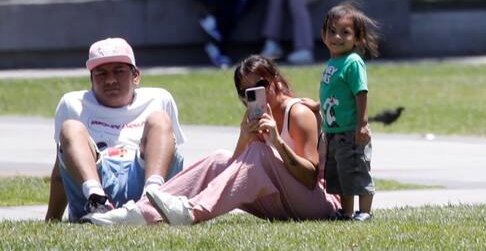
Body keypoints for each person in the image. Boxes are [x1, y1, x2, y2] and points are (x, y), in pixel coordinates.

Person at [85, 55, 340, 226]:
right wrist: (245, 137)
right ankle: (140, 211)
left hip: (317, 205)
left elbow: (310, 178)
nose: (255, 94)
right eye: (246, 92)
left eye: (262, 84)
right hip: (283, 204)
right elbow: (235, 170)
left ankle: (191, 211)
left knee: (259, 155)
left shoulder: (298, 113)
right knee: (220, 158)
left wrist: (276, 142)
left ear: (277, 80)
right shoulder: (256, 116)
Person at [44, 37, 187, 223]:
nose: (110, 80)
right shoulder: (72, 104)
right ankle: (97, 202)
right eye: (101, 74)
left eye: (118, 71)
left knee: (159, 119)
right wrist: (52, 218)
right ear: (91, 79)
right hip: (94, 180)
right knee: (71, 127)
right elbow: (61, 168)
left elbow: (172, 154)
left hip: (144, 174)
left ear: (136, 76)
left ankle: (152, 199)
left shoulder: (159, 99)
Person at [318, 3, 379, 221]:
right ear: (323, 35)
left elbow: (361, 93)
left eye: (345, 32)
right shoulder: (334, 62)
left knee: (357, 171)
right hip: (335, 131)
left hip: (351, 131)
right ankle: (347, 211)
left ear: (357, 38)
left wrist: (362, 124)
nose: (337, 37)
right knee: (342, 175)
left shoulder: (353, 62)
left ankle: (365, 212)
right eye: (332, 31)